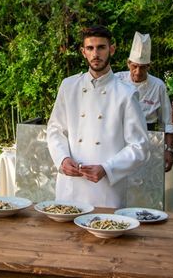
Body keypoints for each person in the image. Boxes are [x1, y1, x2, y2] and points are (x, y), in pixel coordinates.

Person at [46, 25, 150, 208]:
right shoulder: (68, 86)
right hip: (71, 185)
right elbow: (55, 129)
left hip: (106, 189)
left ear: (112, 49)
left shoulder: (126, 93)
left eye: (101, 47)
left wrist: (107, 169)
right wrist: (62, 159)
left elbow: (139, 145)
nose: (96, 54)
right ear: (83, 52)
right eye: (90, 48)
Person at [115, 32, 173, 172]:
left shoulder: (158, 85)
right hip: (119, 137)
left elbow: (168, 121)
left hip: (148, 139)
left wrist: (168, 149)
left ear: (149, 66)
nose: (137, 71)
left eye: (143, 67)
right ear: (128, 63)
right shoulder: (117, 80)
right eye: (134, 66)